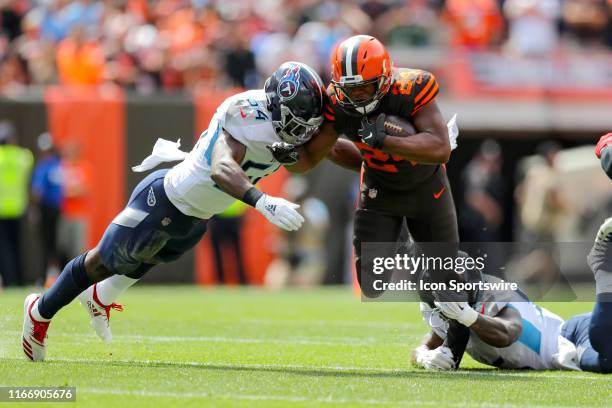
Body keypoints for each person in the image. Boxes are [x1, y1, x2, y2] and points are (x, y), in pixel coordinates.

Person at [21, 61, 333, 361]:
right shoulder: (245, 113)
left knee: (149, 257)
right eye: (295, 121)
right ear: (277, 104)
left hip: (197, 214)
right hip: (165, 198)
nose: (301, 132)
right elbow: (221, 168)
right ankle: (39, 310)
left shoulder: (281, 127)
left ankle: (99, 298)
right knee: (104, 261)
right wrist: (262, 201)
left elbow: (328, 148)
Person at [292, 35, 469, 365]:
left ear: (386, 77)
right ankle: (405, 249)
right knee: (372, 286)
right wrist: (287, 149)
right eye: (350, 89)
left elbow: (440, 149)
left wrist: (384, 139)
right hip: (379, 188)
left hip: (426, 187)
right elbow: (311, 157)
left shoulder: (412, 86)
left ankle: (452, 346)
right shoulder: (335, 101)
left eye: (365, 87)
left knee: (444, 274)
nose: (357, 96)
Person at [0, 121, 33, 287]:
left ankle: (7, 279)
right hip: (18, 208)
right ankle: (18, 280)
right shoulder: (23, 156)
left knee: (3, 248)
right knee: (17, 246)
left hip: (1, 209)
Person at [31, 132, 63, 287]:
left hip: (46, 208)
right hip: (58, 209)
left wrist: (35, 209)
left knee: (46, 245)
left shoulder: (43, 166)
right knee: (55, 244)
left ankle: (44, 278)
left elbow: (38, 191)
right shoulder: (58, 164)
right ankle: (59, 276)